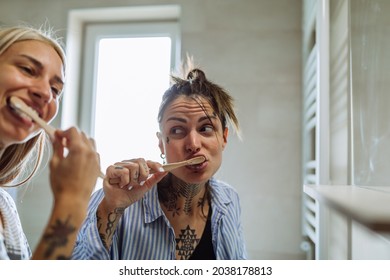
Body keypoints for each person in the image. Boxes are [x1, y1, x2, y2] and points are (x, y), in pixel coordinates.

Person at [72, 59, 247, 260]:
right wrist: (111, 208)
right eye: (177, 130)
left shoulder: (229, 200)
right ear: (161, 144)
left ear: (224, 138)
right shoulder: (114, 200)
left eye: (205, 128)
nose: (193, 143)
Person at [0, 25, 101, 260]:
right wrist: (72, 200)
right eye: (27, 69)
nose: (46, 93)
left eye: (55, 90)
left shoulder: (5, 204)